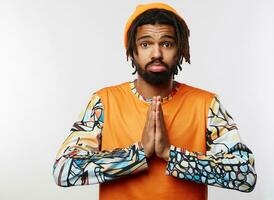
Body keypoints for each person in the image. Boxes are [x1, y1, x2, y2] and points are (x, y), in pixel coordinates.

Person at [53, 2, 257, 200]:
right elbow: (63, 169)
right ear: (132, 51)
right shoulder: (104, 101)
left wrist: (171, 154)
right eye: (145, 44)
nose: (157, 53)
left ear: (180, 51)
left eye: (167, 44)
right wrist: (137, 154)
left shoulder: (206, 104)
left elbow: (245, 175)